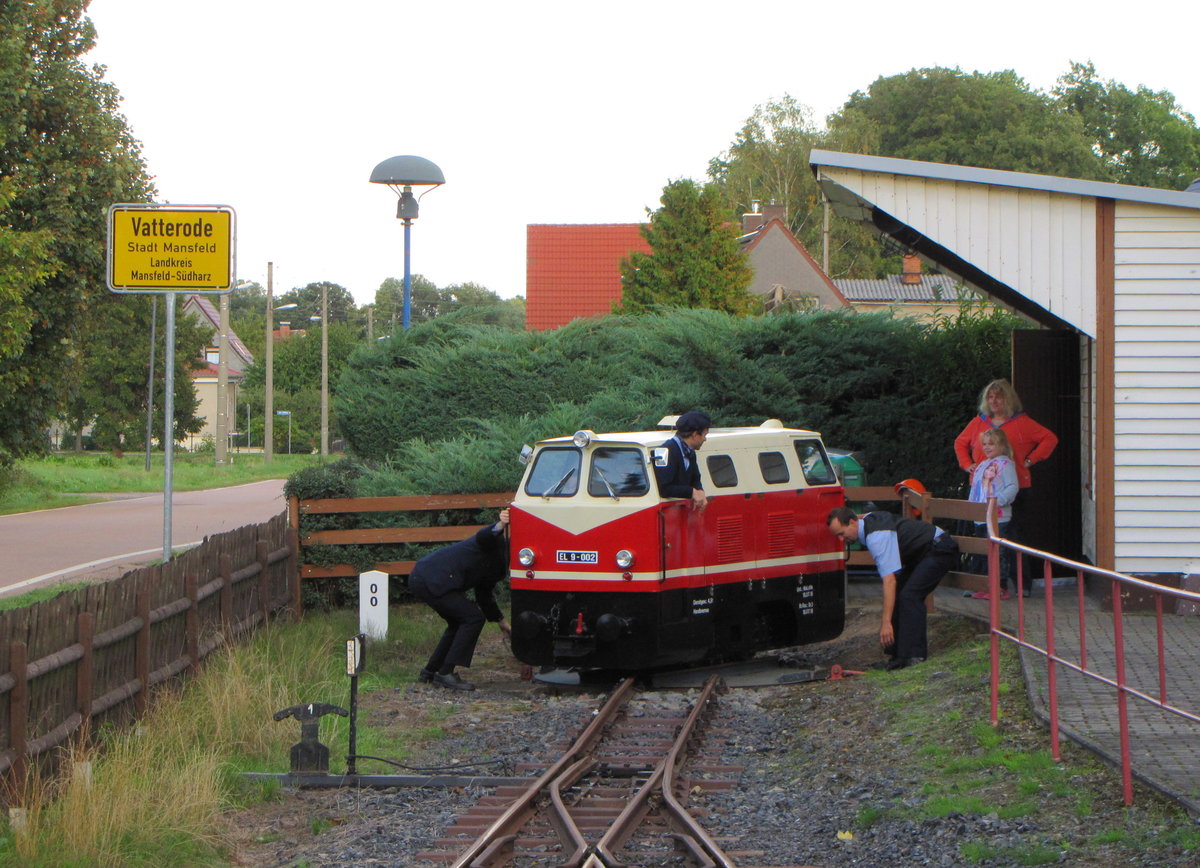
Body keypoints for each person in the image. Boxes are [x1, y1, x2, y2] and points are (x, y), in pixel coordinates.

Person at [954, 379, 1057, 594]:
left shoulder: (1023, 422)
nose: (994, 401)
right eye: (990, 397)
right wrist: (968, 466)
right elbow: (959, 443)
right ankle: (981, 584)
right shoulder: (978, 423)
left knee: (1015, 539)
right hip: (982, 490)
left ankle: (1020, 585)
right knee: (981, 537)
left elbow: (1049, 438)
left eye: (998, 397)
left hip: (1015, 488)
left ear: (1007, 399)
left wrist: (1031, 460)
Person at [827, 506, 959, 670]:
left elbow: (889, 581)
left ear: (853, 522)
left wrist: (886, 623)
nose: (841, 540)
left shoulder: (877, 538)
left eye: (841, 533)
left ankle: (915, 656)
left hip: (939, 549)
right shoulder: (866, 521)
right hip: (921, 554)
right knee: (899, 595)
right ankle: (898, 656)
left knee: (910, 596)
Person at [406, 508, 512, 691]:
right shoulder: (495, 545)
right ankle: (446, 673)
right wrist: (501, 524)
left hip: (427, 578)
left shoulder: (499, 566)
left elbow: (484, 595)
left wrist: (502, 622)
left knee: (459, 621)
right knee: (472, 618)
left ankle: (430, 672)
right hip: (432, 578)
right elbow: (484, 536)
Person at [967, 428, 1019, 600]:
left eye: (992, 444)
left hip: (998, 516)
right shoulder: (982, 465)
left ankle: (1001, 586)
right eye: (984, 444)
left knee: (998, 553)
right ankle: (986, 586)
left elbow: (1013, 486)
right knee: (983, 552)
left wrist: (999, 500)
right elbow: (975, 488)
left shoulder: (1006, 464)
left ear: (1002, 445)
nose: (987, 447)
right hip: (980, 517)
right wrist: (971, 507)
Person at [653, 410, 710, 512]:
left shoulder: (690, 452)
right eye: (704, 435)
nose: (705, 440)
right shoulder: (665, 451)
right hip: (668, 513)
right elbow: (664, 488)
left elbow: (695, 478)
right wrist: (691, 492)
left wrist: (699, 491)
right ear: (694, 434)